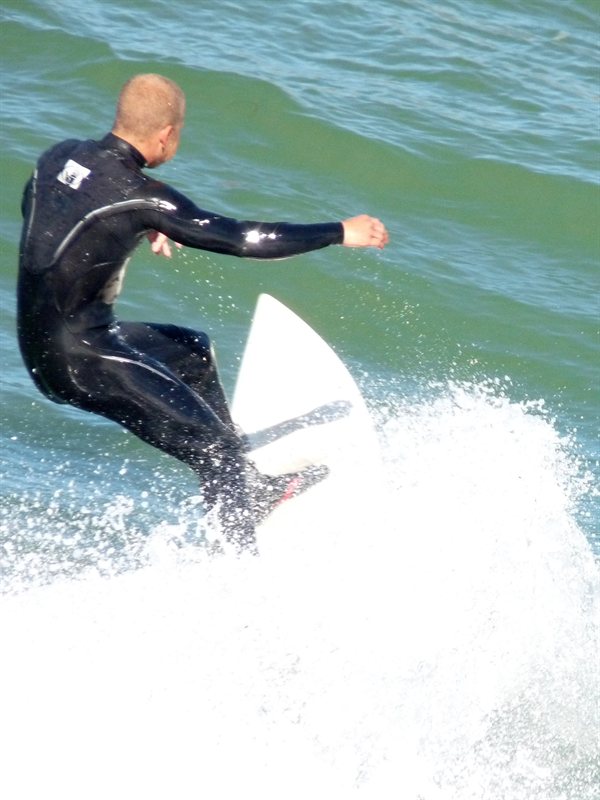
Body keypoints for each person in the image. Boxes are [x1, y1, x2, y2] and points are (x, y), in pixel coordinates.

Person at [17, 73, 389, 552]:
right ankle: (237, 552)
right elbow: (240, 238)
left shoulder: (58, 157)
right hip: (79, 360)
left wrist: (132, 227)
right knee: (215, 446)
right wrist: (340, 231)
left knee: (191, 352)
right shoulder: (142, 195)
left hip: (44, 343)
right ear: (167, 135)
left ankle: (237, 480)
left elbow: (52, 209)